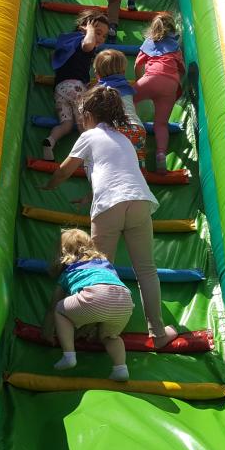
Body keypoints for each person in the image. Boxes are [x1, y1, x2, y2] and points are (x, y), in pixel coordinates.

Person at [42, 86, 179, 348]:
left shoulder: (89, 135)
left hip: (109, 206)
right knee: (146, 270)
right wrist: (90, 195)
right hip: (139, 199)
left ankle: (89, 328)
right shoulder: (123, 139)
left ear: (88, 115)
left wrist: (49, 186)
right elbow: (117, 173)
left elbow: (65, 170)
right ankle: (158, 333)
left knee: (98, 269)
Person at [42, 228, 134, 381]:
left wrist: (47, 329)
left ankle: (69, 355)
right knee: (110, 336)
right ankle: (121, 368)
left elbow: (54, 305)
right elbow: (103, 302)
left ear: (63, 253)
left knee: (59, 309)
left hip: (95, 294)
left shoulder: (69, 271)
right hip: (124, 300)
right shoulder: (105, 264)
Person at [42, 9, 109, 161]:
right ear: (83, 28)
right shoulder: (83, 42)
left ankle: (50, 141)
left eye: (104, 36)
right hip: (75, 88)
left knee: (66, 125)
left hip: (60, 89)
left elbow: (55, 57)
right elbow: (88, 44)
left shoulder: (69, 43)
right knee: (84, 123)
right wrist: (90, 32)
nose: (100, 38)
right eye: (98, 33)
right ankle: (91, 155)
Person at [134, 13, 185, 174]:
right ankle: (161, 154)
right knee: (161, 124)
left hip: (151, 78)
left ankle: (128, 129)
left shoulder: (149, 43)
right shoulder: (175, 47)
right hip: (170, 85)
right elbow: (181, 69)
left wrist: (139, 81)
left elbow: (137, 64)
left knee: (127, 100)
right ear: (173, 30)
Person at [93, 49, 147, 169]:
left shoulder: (100, 90)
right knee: (137, 163)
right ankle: (141, 174)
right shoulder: (127, 87)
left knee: (113, 164)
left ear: (97, 73)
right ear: (123, 72)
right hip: (137, 128)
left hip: (115, 128)